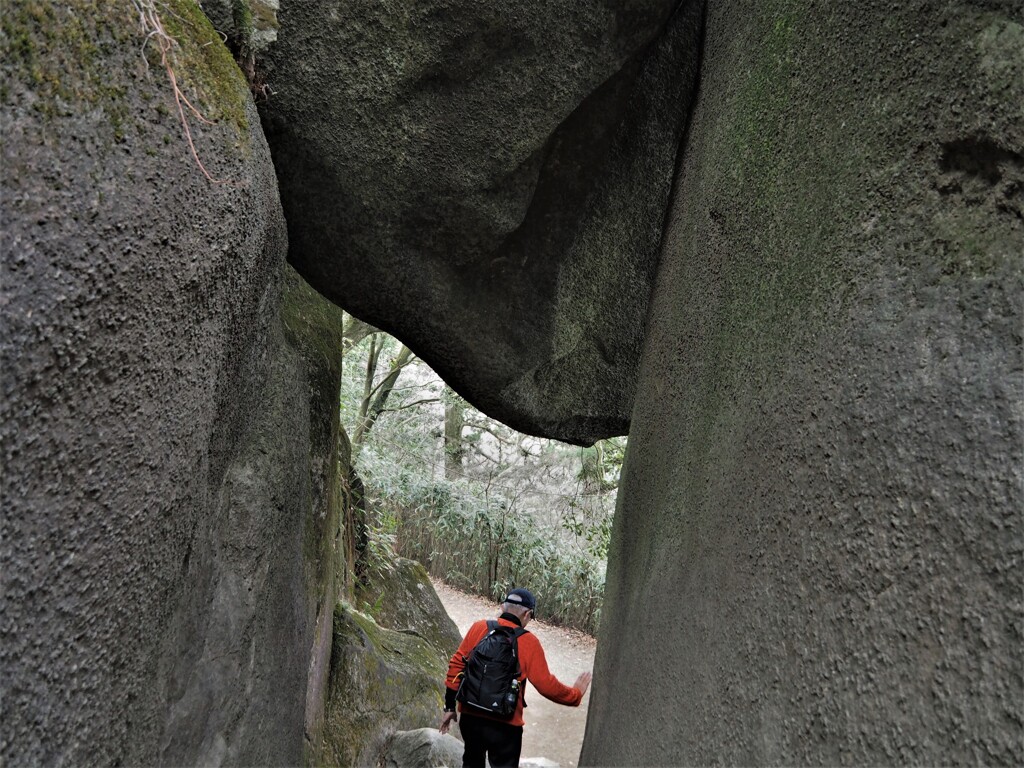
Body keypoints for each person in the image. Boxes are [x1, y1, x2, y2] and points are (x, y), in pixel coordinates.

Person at [439, 588, 593, 768]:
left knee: (472, 763)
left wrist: (449, 707)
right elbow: (546, 685)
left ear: (502, 607)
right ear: (527, 614)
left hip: (471, 717)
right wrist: (575, 695)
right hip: (505, 725)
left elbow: (456, 665)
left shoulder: (479, 628)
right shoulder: (529, 642)